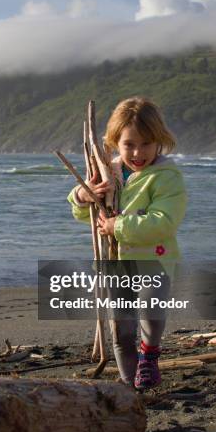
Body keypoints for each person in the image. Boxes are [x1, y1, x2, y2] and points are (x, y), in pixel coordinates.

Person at [67, 97, 187, 390]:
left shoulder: (166, 177)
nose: (137, 152)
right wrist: (83, 196)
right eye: (129, 144)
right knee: (121, 330)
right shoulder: (111, 173)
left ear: (159, 141)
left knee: (150, 311)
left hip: (154, 260)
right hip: (115, 264)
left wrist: (117, 226)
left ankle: (149, 354)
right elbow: (88, 215)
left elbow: (163, 221)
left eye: (146, 144)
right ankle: (128, 386)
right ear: (114, 143)